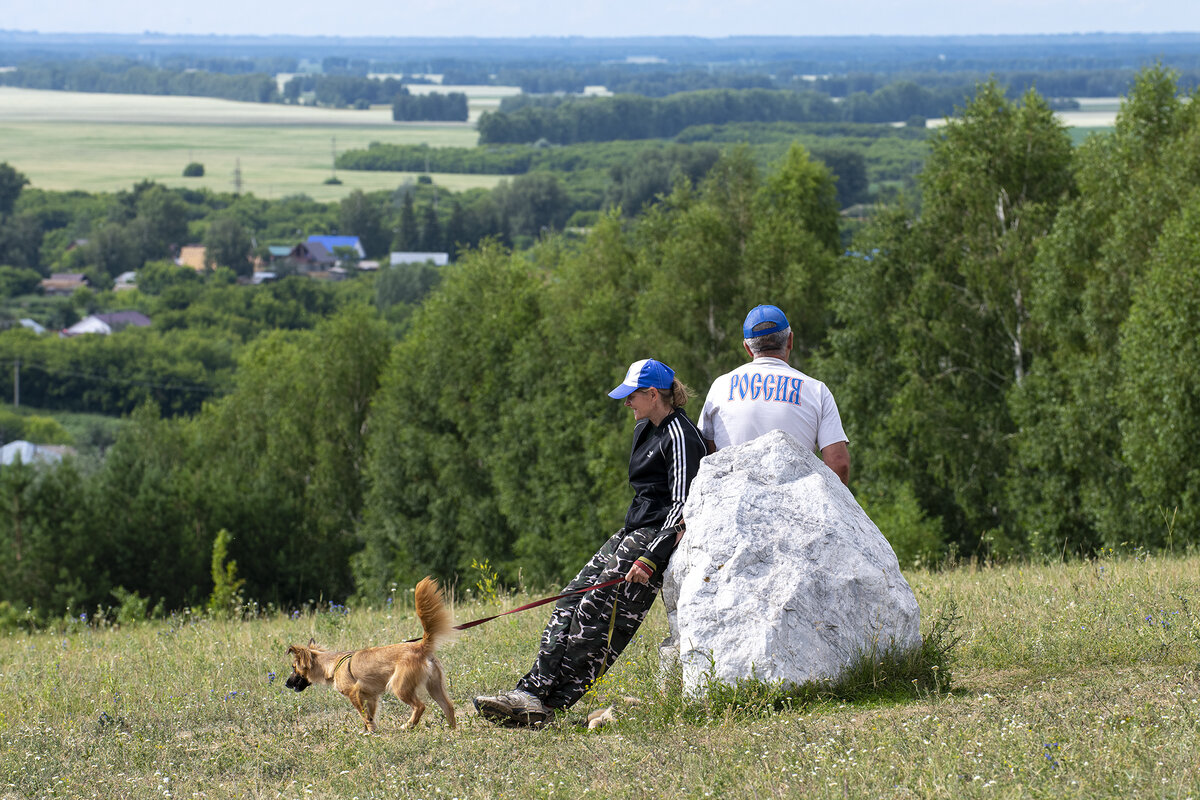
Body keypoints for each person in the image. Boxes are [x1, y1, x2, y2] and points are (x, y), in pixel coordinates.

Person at [473, 358, 707, 727]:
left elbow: (684, 504)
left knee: (595, 612)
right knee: (570, 598)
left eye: (631, 396)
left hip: (655, 537)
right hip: (632, 530)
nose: (626, 403)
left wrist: (650, 558)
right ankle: (530, 692)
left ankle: (550, 704)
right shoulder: (645, 428)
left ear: (652, 394)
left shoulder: (680, 434)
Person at [700, 304, 850, 484]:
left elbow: (706, 453)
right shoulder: (817, 390)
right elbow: (839, 463)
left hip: (733, 501)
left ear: (747, 348)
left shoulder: (720, 386)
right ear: (790, 341)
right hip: (795, 505)